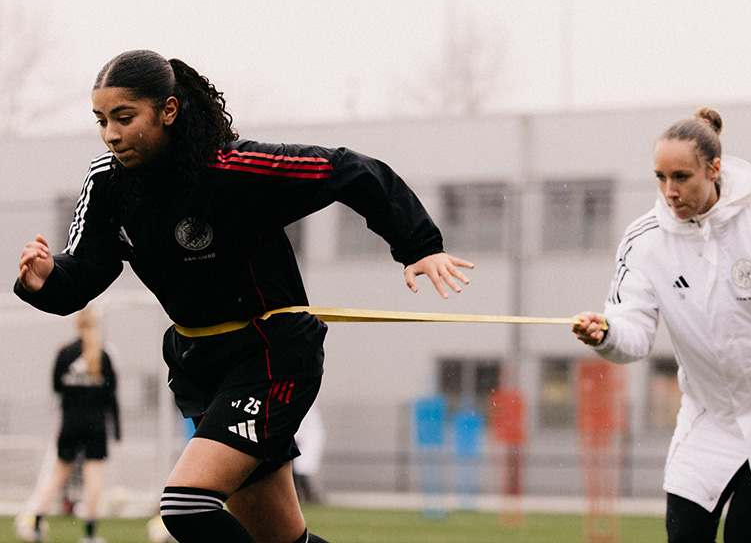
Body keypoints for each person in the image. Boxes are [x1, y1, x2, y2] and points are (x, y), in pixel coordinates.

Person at [15, 49, 474, 543]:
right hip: (199, 364)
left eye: (125, 118)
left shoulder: (233, 168)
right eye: (101, 120)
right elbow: (86, 268)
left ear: (168, 111)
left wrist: (419, 247)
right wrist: (46, 280)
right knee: (280, 542)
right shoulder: (106, 182)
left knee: (186, 506)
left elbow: (352, 171)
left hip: (271, 354)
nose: (111, 133)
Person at [572, 108, 751, 543]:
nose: (669, 191)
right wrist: (606, 334)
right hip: (708, 417)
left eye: (681, 177)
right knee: (684, 536)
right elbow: (633, 331)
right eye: (660, 177)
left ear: (715, 169)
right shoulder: (643, 240)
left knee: (744, 536)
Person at [22, 307, 120, 543]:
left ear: (76, 325)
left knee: (58, 474)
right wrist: (116, 429)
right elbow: (111, 395)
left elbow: (56, 386)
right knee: (93, 477)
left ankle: (35, 525)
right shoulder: (103, 355)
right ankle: (89, 535)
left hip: (70, 424)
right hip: (96, 425)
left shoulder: (64, 353)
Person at [291, 402, 325, 504]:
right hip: (298, 441)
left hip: (302, 441)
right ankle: (306, 494)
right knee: (297, 472)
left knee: (299, 472)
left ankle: (305, 494)